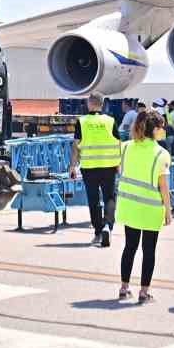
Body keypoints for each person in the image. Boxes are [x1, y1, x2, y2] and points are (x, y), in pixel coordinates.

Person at [115, 109, 171, 304]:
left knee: (129, 247)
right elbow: (163, 186)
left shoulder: (127, 147)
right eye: (161, 128)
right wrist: (168, 210)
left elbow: (120, 169)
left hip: (129, 205)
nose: (163, 131)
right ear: (154, 129)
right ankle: (144, 292)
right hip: (150, 208)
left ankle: (124, 287)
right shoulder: (161, 154)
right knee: (149, 251)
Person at [70, 93, 122, 247]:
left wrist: (72, 166)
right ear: (102, 104)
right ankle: (108, 226)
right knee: (109, 198)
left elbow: (75, 145)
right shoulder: (110, 121)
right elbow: (119, 143)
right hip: (109, 166)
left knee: (93, 200)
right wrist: (119, 163)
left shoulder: (82, 121)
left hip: (89, 167)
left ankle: (98, 232)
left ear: (89, 104)